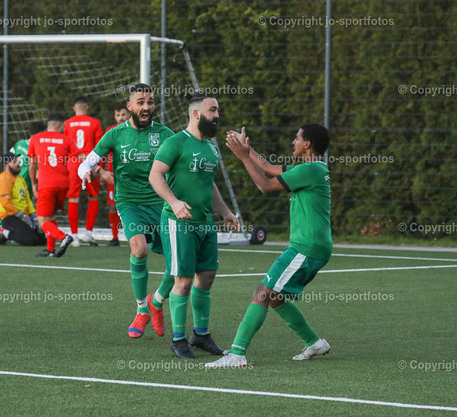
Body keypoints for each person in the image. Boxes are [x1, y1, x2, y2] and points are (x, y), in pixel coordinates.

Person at [206, 123, 332, 368]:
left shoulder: (310, 170)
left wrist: (243, 157)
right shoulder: (311, 168)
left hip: (306, 248)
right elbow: (267, 167)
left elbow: (264, 185)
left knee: (262, 294)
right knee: (274, 297)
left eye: (297, 138)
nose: (293, 142)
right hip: (310, 247)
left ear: (307, 144)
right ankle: (315, 343)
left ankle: (237, 354)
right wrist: (248, 149)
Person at [78, 83, 175, 339]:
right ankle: (142, 310)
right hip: (129, 202)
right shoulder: (115, 134)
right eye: (141, 102)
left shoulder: (165, 134)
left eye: (150, 102)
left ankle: (156, 301)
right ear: (130, 106)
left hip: (162, 203)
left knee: (179, 263)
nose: (146, 106)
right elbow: (86, 163)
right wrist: (87, 173)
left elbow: (180, 166)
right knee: (139, 249)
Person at [149, 92, 239, 359]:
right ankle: (178, 340)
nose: (217, 115)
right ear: (196, 114)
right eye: (213, 110)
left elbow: (209, 185)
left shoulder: (211, 148)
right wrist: (174, 202)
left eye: (218, 110)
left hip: (205, 223)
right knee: (184, 280)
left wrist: (225, 212)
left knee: (207, 276)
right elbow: (155, 175)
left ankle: (200, 335)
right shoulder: (175, 143)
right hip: (178, 222)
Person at [28, 113, 82, 257]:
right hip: (63, 184)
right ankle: (50, 249)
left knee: (42, 221)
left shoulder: (35, 139)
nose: (64, 129)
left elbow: (32, 165)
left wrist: (33, 184)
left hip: (46, 185)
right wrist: (93, 168)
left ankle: (64, 237)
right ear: (59, 125)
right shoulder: (67, 139)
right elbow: (80, 157)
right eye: (63, 126)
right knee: (50, 216)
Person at [0, 120, 46, 239]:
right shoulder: (37, 148)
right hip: (22, 184)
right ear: (40, 133)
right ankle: (0, 228)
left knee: (18, 209)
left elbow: (8, 156)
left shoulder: (21, 144)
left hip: (18, 183)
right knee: (18, 209)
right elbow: (36, 173)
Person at [64, 96, 104, 246]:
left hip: (73, 163)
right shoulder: (95, 122)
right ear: (87, 108)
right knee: (93, 197)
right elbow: (100, 146)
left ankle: (74, 237)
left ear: (74, 109)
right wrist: (101, 168)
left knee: (73, 198)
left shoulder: (67, 123)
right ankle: (88, 233)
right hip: (90, 162)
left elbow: (64, 146)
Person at [0, 152, 46, 247]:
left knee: (42, 240)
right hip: (10, 217)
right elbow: (5, 203)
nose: (18, 164)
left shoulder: (20, 179)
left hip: (23, 216)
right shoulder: (4, 179)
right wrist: (22, 216)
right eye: (14, 162)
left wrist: (33, 216)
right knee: (30, 241)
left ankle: (19, 231)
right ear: (6, 166)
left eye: (17, 161)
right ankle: (4, 232)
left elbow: (27, 200)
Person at [102, 104, 130, 246]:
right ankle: (115, 237)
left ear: (129, 115)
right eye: (118, 115)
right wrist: (102, 171)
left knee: (133, 205)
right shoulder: (110, 131)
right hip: (113, 175)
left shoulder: (134, 130)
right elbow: (102, 152)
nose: (120, 118)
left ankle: (139, 235)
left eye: (123, 115)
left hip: (131, 174)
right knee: (113, 206)